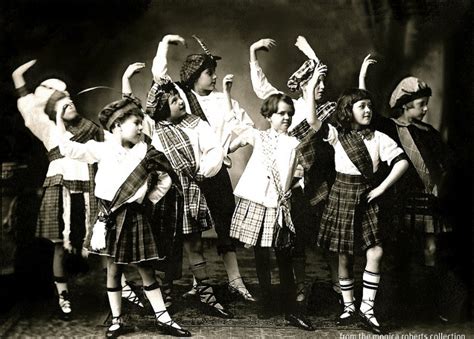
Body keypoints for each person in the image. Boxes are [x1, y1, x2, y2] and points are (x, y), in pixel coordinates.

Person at [56, 96, 191, 337]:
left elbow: (166, 177)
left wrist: (148, 200)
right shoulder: (102, 148)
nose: (141, 127)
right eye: (136, 123)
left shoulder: (146, 151)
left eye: (141, 123)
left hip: (135, 216)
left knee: (146, 269)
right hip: (109, 217)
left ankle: (163, 317)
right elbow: (67, 149)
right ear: (118, 125)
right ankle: (117, 320)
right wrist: (58, 117)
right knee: (113, 269)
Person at [150, 33, 255, 303]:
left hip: (215, 172)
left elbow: (244, 129)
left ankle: (235, 281)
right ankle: (197, 283)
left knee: (225, 226)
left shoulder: (223, 100)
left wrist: (226, 149)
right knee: (187, 230)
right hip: (188, 176)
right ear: (195, 75)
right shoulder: (181, 99)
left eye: (214, 73)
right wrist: (165, 44)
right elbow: (160, 77)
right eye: (210, 73)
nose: (215, 78)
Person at [228, 71, 326, 331]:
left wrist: (290, 186)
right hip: (257, 201)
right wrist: (224, 153)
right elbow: (235, 141)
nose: (286, 118)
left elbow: (300, 170)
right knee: (261, 253)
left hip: (280, 204)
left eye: (289, 114)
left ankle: (290, 307)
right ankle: (266, 301)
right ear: (269, 116)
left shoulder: (295, 142)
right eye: (280, 113)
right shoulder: (257, 136)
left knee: (284, 254)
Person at [249, 36, 340, 310]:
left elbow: (322, 132)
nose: (321, 88)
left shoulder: (325, 111)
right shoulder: (288, 107)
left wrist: (309, 51)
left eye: (323, 83)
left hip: (317, 181)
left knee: (327, 238)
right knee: (294, 241)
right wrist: (253, 54)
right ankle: (298, 288)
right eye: (315, 83)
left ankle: (338, 288)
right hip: (289, 183)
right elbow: (261, 87)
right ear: (302, 84)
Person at [311, 88, 409, 334]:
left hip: (367, 197)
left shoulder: (378, 137)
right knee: (344, 255)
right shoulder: (336, 135)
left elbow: (402, 162)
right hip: (342, 195)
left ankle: (367, 309)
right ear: (348, 111)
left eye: (369, 106)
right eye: (361, 106)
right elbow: (312, 121)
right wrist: (311, 84)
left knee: (375, 252)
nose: (367, 110)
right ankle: (348, 307)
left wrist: (382, 188)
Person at [12, 60, 103, 320]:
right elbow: (29, 110)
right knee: (60, 245)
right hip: (60, 185)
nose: (69, 104)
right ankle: (63, 296)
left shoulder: (90, 129)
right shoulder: (48, 129)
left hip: (88, 186)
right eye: (63, 103)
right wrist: (19, 78)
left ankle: (118, 290)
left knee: (98, 240)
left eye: (71, 101)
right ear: (53, 110)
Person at [146, 54, 233, 319]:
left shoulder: (196, 124)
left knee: (194, 246)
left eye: (179, 98)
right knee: (166, 248)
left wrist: (203, 171)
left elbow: (214, 151)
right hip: (163, 196)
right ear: (163, 107)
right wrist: (163, 48)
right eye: (173, 101)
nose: (180, 102)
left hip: (190, 192)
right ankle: (167, 294)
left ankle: (206, 294)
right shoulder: (153, 128)